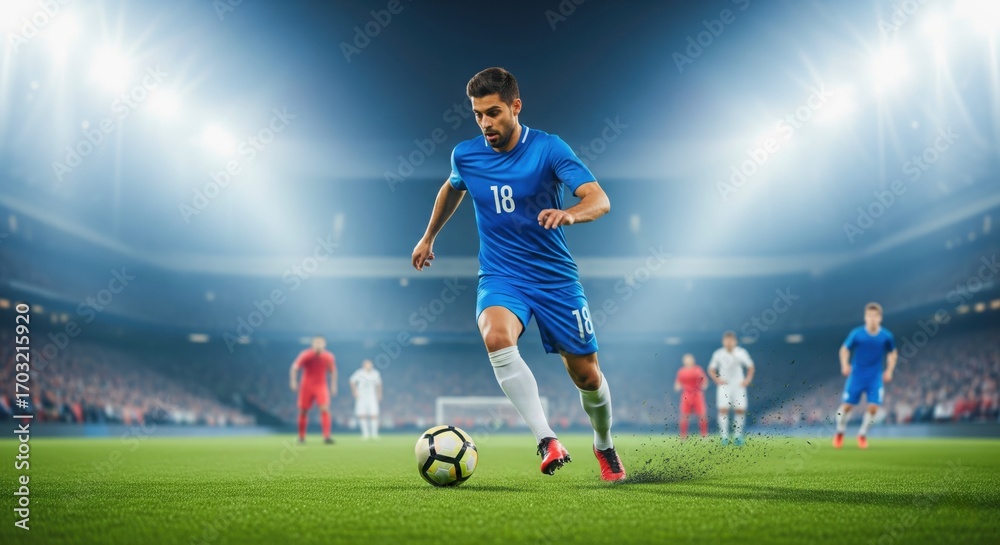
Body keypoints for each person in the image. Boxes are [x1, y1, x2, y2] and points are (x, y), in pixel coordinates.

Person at [410, 67, 625, 481]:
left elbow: (599, 198)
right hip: (501, 274)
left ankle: (604, 445)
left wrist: (570, 214)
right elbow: (452, 187)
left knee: (586, 374)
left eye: (493, 113)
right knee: (494, 335)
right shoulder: (466, 154)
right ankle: (547, 439)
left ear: (515, 106)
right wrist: (428, 237)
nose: (486, 123)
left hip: (555, 278)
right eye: (478, 115)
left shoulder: (548, 148)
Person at [833, 302, 897, 449]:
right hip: (856, 376)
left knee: (874, 407)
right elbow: (844, 349)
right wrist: (844, 364)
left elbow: (892, 353)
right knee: (847, 407)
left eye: (875, 316)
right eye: (870, 316)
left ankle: (862, 434)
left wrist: (889, 370)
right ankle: (840, 431)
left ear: (880, 318)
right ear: (865, 318)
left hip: (874, 377)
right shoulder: (857, 334)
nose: (872, 319)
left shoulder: (886, 336)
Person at [708, 331, 755, 446]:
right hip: (724, 385)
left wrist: (747, 380)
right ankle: (724, 437)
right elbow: (711, 369)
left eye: (731, 340)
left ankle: (738, 436)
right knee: (723, 410)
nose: (729, 343)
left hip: (738, 385)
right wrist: (718, 379)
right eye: (727, 340)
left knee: (740, 409)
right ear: (723, 342)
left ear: (735, 342)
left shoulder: (741, 353)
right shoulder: (718, 354)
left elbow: (751, 367)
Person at [289, 335, 337, 444]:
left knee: (324, 408)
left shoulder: (328, 357)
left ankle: (326, 437)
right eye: (316, 342)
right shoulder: (305, 355)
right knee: (303, 411)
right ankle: (301, 437)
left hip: (321, 385)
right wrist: (293, 381)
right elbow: (294, 368)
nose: (318, 345)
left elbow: (333, 371)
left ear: (324, 344)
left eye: (321, 343)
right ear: (312, 344)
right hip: (306, 385)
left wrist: (334, 385)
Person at [675, 354, 709, 439]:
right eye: (686, 359)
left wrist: (704, 385)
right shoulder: (681, 371)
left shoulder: (698, 369)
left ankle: (704, 435)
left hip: (697, 394)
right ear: (684, 361)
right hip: (686, 395)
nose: (688, 361)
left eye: (689, 359)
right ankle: (683, 436)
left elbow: (704, 380)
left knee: (702, 415)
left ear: (693, 360)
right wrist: (677, 386)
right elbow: (678, 383)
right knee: (684, 415)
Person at [349, 359, 383, 440]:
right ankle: (365, 434)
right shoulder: (359, 373)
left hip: (372, 396)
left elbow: (379, 384)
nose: (368, 366)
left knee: (374, 415)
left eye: (369, 364)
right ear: (364, 365)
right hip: (361, 397)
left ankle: (374, 434)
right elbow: (352, 381)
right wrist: (355, 392)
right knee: (362, 415)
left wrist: (379, 394)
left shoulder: (375, 373)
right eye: (366, 364)